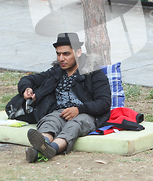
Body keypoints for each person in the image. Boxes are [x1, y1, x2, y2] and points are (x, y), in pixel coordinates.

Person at [18, 33, 111, 163]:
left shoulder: (93, 73)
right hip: (60, 112)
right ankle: (43, 144)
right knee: (50, 121)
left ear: (78, 52)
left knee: (74, 126)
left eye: (66, 54)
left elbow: (104, 103)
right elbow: (29, 79)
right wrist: (26, 89)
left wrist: (79, 109)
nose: (61, 58)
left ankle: (51, 149)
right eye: (58, 54)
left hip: (86, 113)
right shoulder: (56, 71)